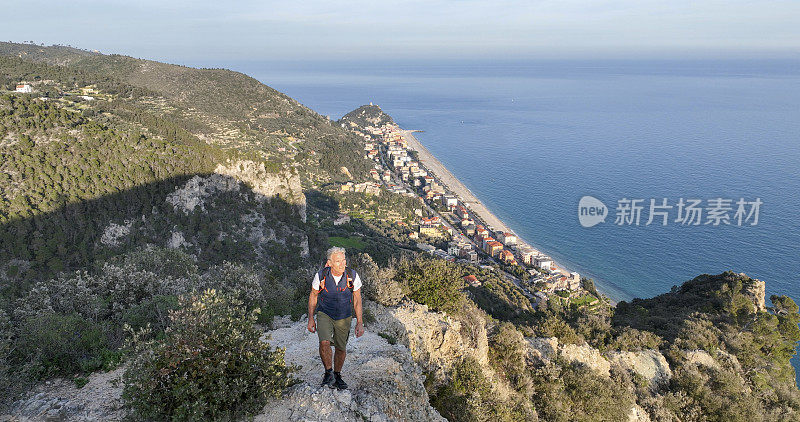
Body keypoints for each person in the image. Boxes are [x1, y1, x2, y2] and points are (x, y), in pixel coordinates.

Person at [307, 246, 365, 390]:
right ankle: (328, 373)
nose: (342, 264)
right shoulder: (320, 276)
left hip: (344, 316)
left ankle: (337, 375)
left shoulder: (352, 276)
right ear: (329, 263)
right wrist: (310, 318)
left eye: (344, 260)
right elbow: (313, 296)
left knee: (341, 348)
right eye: (338, 261)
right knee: (324, 342)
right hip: (324, 313)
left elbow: (357, 299)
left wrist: (359, 322)